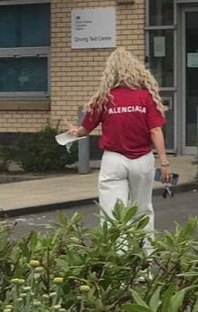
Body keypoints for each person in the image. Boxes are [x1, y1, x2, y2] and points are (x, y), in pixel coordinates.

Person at [66, 47, 170, 236]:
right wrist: (164, 162)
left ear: (110, 72)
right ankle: (144, 256)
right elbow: (155, 130)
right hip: (142, 160)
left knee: (112, 213)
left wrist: (74, 132)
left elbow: (85, 130)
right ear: (135, 70)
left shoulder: (104, 99)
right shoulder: (146, 97)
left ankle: (117, 256)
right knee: (143, 209)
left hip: (113, 160)